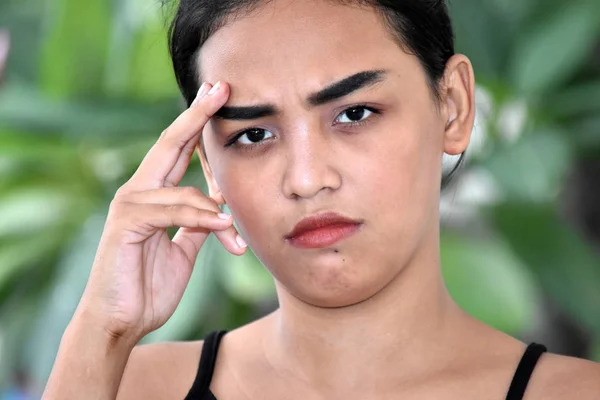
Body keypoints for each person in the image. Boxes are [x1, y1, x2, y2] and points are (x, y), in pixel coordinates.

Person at [42, 0, 600, 399]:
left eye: (354, 113)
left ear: (451, 106)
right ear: (208, 164)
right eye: (254, 134)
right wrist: (102, 331)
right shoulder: (133, 388)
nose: (306, 180)